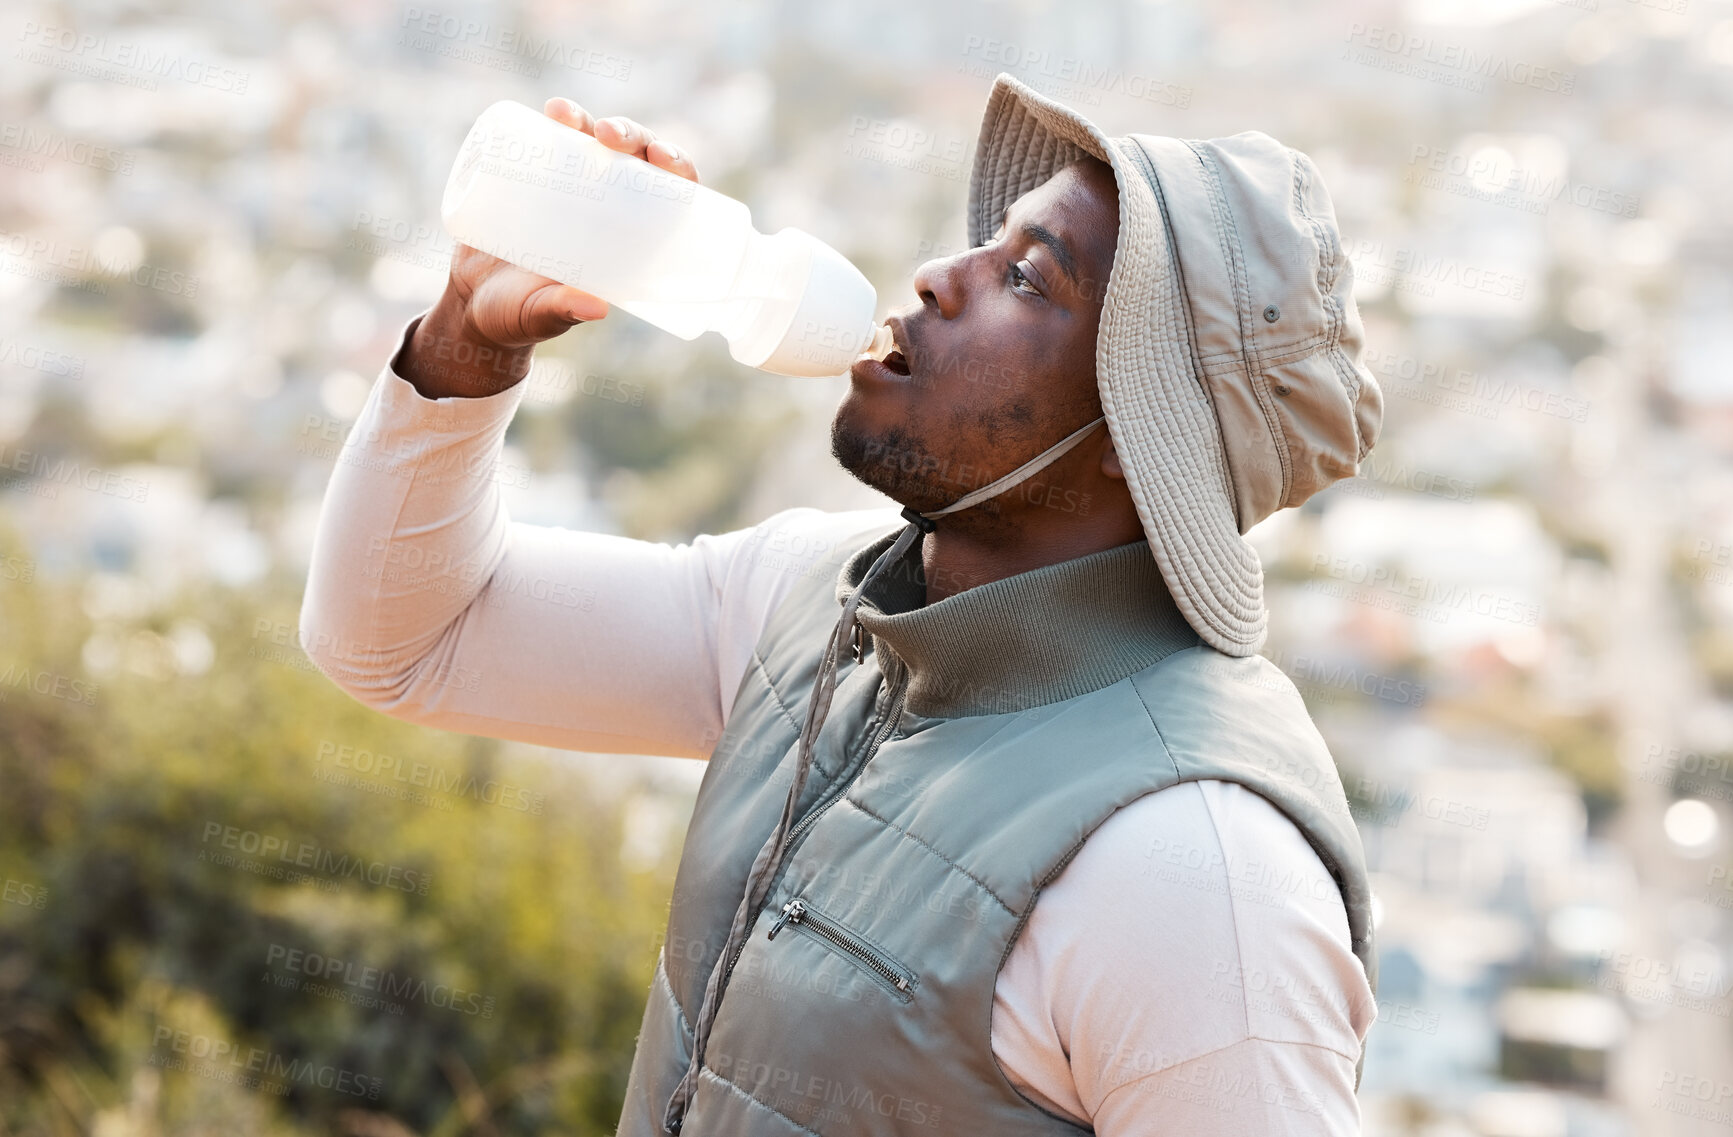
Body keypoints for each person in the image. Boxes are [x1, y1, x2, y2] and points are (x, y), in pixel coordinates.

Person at [301, 72, 1385, 1135]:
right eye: (989, 241)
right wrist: (473, 336)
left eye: (1029, 280)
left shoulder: (1200, 878)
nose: (937, 275)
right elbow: (406, 640)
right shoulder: (817, 607)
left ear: (1134, 443)